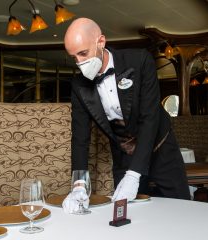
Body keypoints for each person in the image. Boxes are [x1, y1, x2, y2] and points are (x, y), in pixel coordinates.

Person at [63, 17, 190, 210]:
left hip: (160, 148)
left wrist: (134, 174)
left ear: (101, 42)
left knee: (181, 209)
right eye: (74, 57)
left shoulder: (139, 60)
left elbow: (150, 119)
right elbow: (80, 138)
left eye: (83, 53)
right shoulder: (79, 85)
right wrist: (78, 184)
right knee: (127, 214)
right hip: (124, 152)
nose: (80, 63)